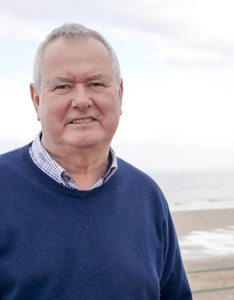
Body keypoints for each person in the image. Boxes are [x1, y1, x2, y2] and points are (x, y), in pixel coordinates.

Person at [0, 23, 192, 300]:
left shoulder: (146, 195)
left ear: (120, 94)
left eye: (96, 84)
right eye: (63, 86)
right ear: (36, 99)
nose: (81, 100)